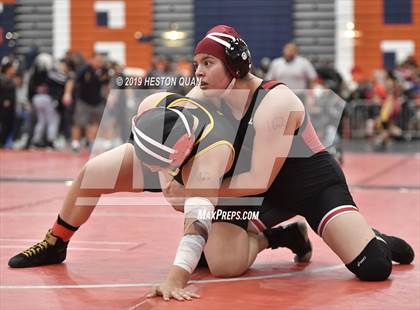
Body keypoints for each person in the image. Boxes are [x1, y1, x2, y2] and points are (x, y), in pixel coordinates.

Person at [148, 25, 415, 300]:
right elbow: (166, 139)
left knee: (373, 266)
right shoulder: (200, 98)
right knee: (217, 262)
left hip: (310, 186)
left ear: (235, 66)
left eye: (208, 63)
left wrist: (195, 192)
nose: (198, 72)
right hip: (257, 194)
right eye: (196, 64)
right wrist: (169, 179)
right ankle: (285, 236)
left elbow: (256, 180)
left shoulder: (275, 101)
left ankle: (371, 237)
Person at [8, 92, 310, 299]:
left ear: (175, 158)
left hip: (227, 183)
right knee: (93, 173)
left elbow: (196, 222)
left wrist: (175, 278)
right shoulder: (155, 105)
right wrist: (167, 177)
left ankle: (278, 237)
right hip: (171, 156)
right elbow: (145, 144)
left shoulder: (212, 155)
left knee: (223, 265)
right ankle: (55, 242)